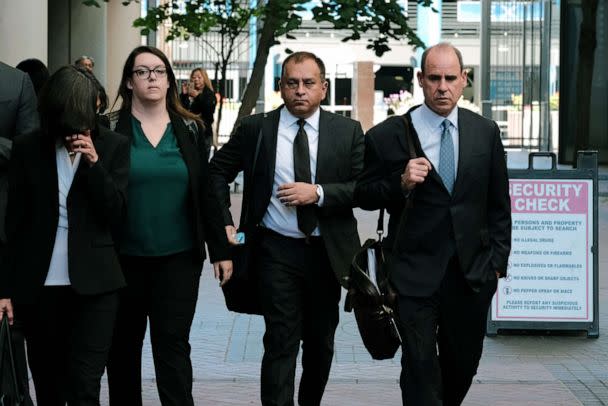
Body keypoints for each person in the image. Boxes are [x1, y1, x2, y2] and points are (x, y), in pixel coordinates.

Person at [354, 42, 512, 406]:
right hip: (411, 276)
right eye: (435, 78)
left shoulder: (484, 132)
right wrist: (400, 183)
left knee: (462, 366)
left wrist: (497, 264)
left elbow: (498, 205)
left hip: (471, 276)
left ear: (463, 81)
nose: (443, 86)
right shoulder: (388, 135)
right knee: (421, 365)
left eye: (451, 78)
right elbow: (362, 194)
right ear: (421, 80)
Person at [209, 51, 365, 406]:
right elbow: (216, 171)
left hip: (328, 255)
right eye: (292, 83)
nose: (300, 91)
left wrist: (319, 193)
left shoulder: (347, 132)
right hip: (275, 250)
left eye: (308, 83)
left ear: (323, 88)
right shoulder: (256, 129)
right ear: (280, 87)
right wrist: (225, 222)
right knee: (281, 338)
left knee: (321, 344)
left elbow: (364, 188)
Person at [105, 45, 232, 406]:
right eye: (142, 72)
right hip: (122, 260)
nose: (152, 78)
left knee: (173, 347)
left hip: (178, 259)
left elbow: (205, 191)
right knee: (122, 350)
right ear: (129, 81)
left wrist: (220, 251)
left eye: (159, 71)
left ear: (169, 80)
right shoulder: (110, 128)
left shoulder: (190, 128)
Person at [0, 65, 130, 405]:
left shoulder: (114, 146)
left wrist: (94, 164)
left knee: (85, 385)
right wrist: (5, 290)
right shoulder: (28, 148)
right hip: (39, 287)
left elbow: (116, 214)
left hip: (96, 287)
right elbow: (13, 224)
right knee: (49, 387)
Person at [180, 67, 216, 158]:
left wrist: (197, 96)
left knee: (202, 161)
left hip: (203, 134)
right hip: (188, 133)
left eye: (199, 77)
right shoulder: (189, 93)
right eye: (194, 77)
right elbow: (181, 109)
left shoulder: (209, 94)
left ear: (204, 78)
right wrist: (183, 95)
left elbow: (209, 111)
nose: (196, 80)